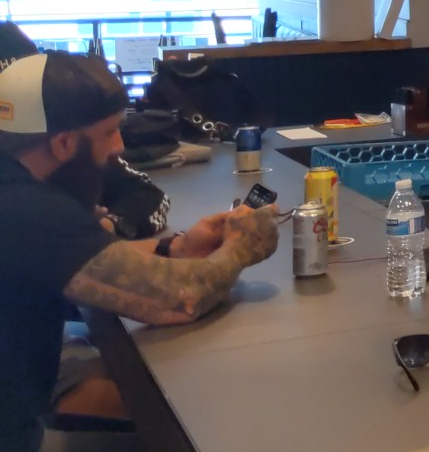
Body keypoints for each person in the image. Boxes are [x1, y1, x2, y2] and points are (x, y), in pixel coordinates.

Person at [0, 42, 280, 449]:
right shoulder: (28, 210)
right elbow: (178, 298)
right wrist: (240, 248)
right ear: (62, 144)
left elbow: (92, 259)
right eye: (108, 132)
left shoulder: (19, 185)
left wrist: (177, 248)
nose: (118, 146)